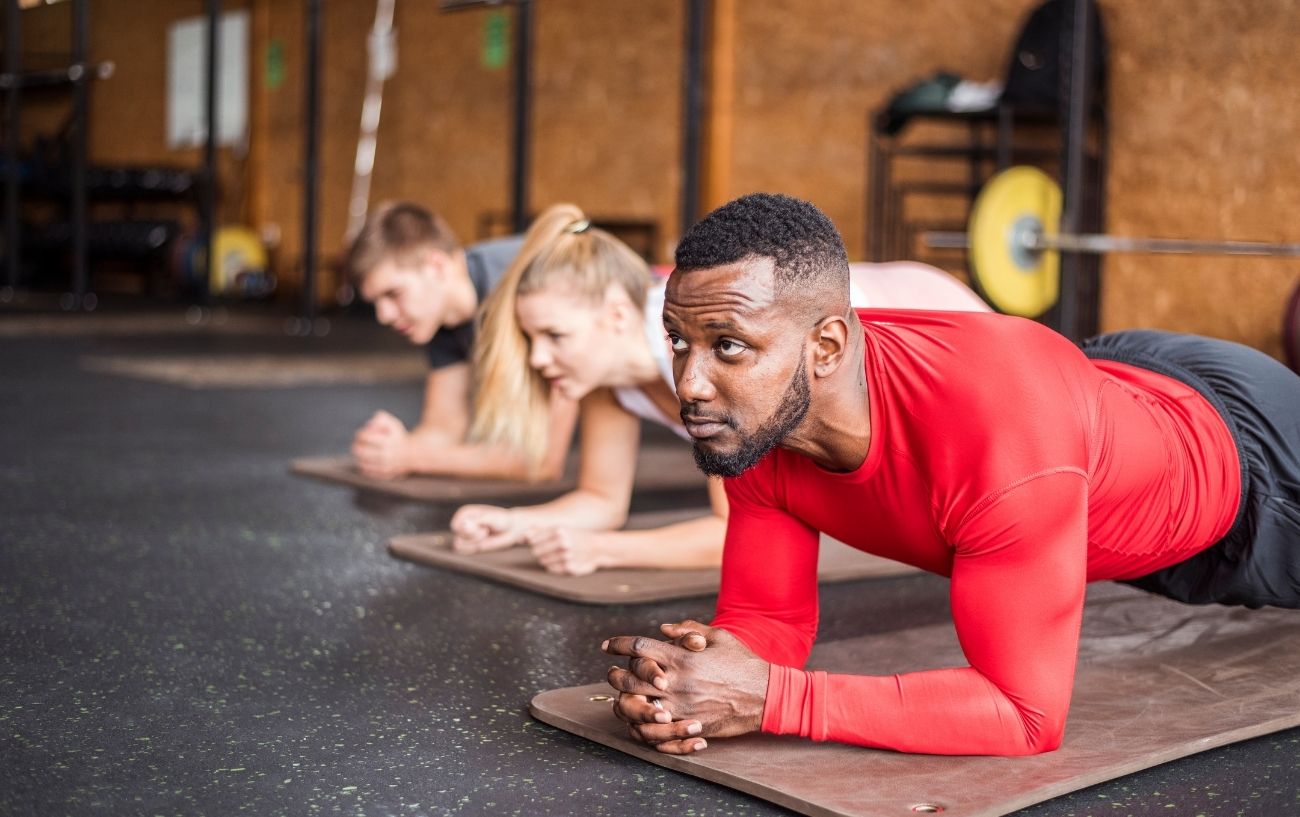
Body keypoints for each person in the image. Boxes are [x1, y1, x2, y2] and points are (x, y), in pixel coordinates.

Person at [600, 192, 1300, 757]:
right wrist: (688, 682)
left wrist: (775, 701)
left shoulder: (1000, 438)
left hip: (1256, 472)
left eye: (727, 346)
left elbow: (1025, 716)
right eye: (679, 341)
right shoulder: (760, 419)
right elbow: (768, 619)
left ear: (827, 346)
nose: (690, 382)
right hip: (1114, 383)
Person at [448, 204, 992, 576]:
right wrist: (518, 524)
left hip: (944, 330)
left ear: (616, 313)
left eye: (553, 336)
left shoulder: (699, 347)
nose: (540, 358)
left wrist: (605, 551)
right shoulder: (607, 378)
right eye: (532, 340)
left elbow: (730, 531)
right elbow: (600, 499)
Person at [344, 201, 578, 480]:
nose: (383, 315)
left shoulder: (528, 288)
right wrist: (386, 447)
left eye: (393, 294)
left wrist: (411, 455)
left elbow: (542, 460)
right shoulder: (441, 316)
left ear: (437, 266)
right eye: (376, 303)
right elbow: (444, 428)